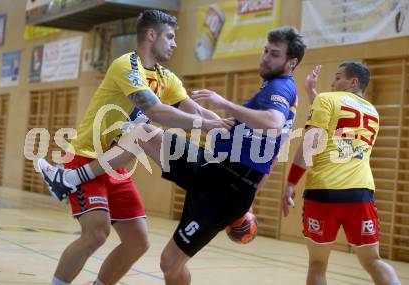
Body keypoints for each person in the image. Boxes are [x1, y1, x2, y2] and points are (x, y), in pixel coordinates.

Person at [39, 26, 306, 284]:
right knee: (143, 132)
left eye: (274, 54)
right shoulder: (129, 66)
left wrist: (222, 106)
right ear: (151, 35)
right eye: (266, 51)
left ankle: (71, 179)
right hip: (213, 169)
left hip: (225, 188)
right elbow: (202, 118)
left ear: (291, 63)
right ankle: (72, 178)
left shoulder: (279, 88)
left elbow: (271, 121)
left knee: (169, 262)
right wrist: (215, 121)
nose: (265, 57)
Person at [41, 10, 230, 285]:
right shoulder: (126, 65)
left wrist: (235, 128)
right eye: (170, 36)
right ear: (151, 35)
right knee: (96, 233)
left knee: (137, 242)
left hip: (116, 166)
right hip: (86, 156)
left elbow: (196, 110)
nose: (175, 43)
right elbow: (154, 110)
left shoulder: (167, 77)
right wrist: (208, 125)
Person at [282, 61, 401, 285]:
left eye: (338, 77)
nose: (332, 81)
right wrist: (312, 94)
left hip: (324, 192)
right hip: (360, 194)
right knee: (373, 261)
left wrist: (291, 182)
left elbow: (311, 142)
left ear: (353, 81)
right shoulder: (373, 113)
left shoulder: (326, 99)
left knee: (318, 265)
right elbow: (338, 119)